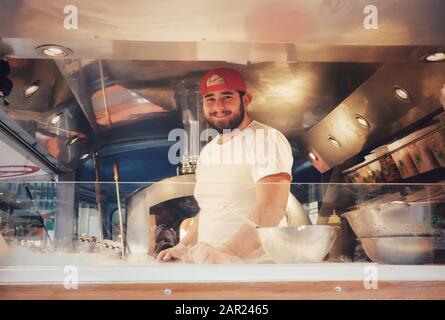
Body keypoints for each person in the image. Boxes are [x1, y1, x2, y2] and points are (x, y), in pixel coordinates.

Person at [157, 67, 294, 263]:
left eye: (226, 97)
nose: (218, 107)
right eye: (210, 99)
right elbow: (211, 211)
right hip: (215, 268)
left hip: (254, 269)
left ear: (245, 100)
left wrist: (228, 254)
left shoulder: (265, 139)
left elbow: (272, 207)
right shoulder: (208, 152)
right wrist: (183, 247)